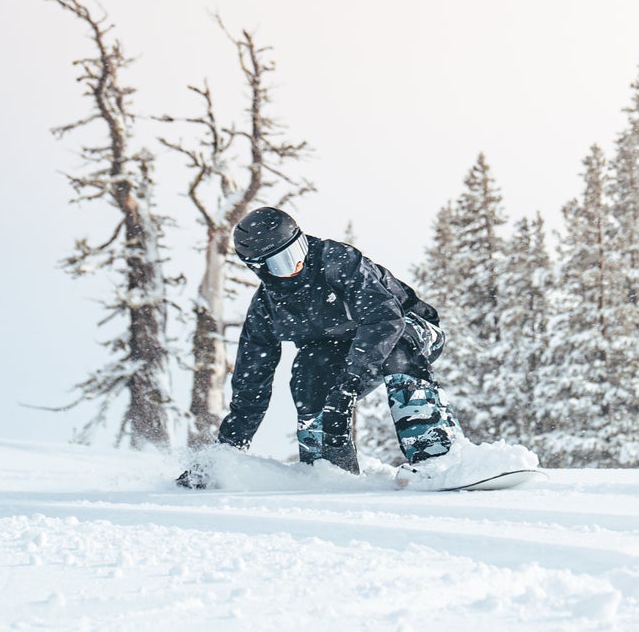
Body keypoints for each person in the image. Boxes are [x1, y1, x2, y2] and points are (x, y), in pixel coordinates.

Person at [178, 206, 462, 488]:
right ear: (261, 269)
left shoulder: (337, 261)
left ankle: (436, 456)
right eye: (283, 262)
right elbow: (251, 386)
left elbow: (384, 319)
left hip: (412, 330)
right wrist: (223, 457)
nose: (298, 264)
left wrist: (348, 385)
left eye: (297, 250)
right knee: (307, 371)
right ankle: (328, 470)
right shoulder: (267, 309)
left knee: (394, 348)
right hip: (341, 351)